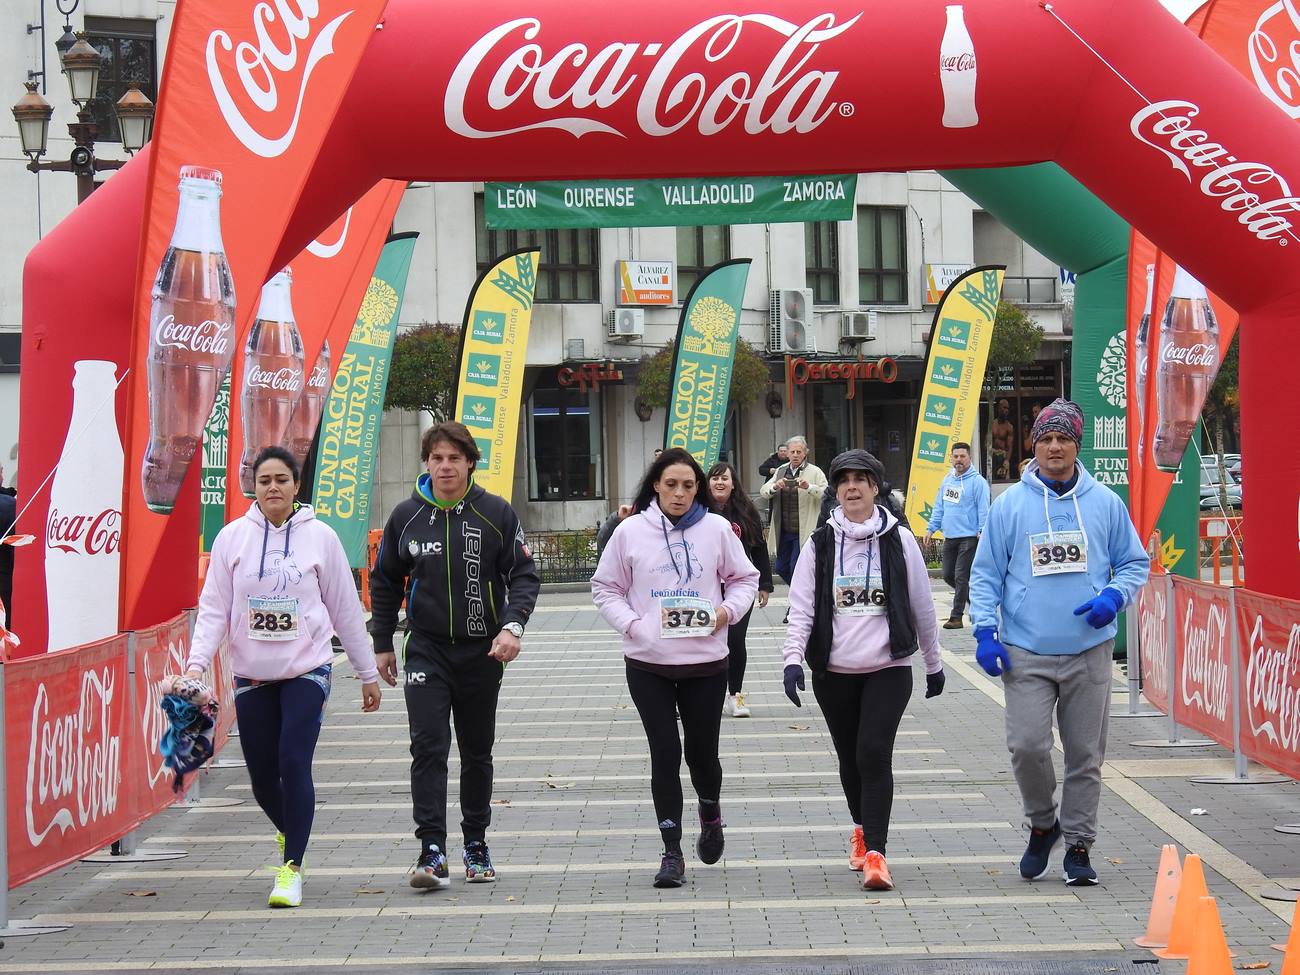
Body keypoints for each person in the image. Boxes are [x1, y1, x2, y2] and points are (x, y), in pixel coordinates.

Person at [183, 445, 386, 909]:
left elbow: (345, 609)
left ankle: (291, 867)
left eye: (281, 480)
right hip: (252, 675)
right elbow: (214, 610)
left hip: (306, 670)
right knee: (261, 777)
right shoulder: (232, 539)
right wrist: (196, 665)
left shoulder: (322, 538)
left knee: (293, 760)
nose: (272, 487)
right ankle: (291, 830)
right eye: (264, 480)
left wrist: (366, 672)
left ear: (297, 485)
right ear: (253, 487)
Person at [968, 398, 1149, 887]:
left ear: (1076, 445)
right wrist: (984, 631)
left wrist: (1113, 595)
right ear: (1033, 444)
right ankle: (1042, 822)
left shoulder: (1105, 502)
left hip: (1089, 651)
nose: (1054, 447)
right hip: (1025, 651)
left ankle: (1079, 845)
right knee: (1027, 746)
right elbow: (985, 575)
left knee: (1084, 754)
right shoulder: (1010, 506)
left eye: (1063, 438)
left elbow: (1135, 562)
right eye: (1046, 438)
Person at [369, 422, 540, 890]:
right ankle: (432, 851)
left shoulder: (495, 513)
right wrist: (382, 641)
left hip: (483, 651)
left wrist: (512, 626)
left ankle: (476, 843)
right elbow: (385, 580)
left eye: (454, 458)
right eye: (436, 458)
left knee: (476, 750)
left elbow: (524, 575)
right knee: (428, 747)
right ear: (426, 463)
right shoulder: (406, 516)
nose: (445, 466)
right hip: (424, 649)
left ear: (470, 462)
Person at [592, 448, 759, 888]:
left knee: (701, 754)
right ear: (655, 486)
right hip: (648, 663)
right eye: (671, 485)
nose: (680, 494)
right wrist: (633, 626)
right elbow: (605, 586)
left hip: (705, 662)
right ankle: (671, 852)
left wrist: (726, 613)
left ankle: (710, 813)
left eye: (689, 485)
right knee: (664, 755)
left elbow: (746, 578)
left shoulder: (718, 528)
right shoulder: (630, 531)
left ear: (699, 488)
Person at [781, 449, 944, 892]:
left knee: (873, 752)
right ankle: (860, 827)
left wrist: (934, 663)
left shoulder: (899, 539)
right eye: (844, 480)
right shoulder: (820, 543)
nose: (852, 487)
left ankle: (876, 853)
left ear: (876, 487)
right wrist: (792, 660)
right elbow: (801, 608)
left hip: (888, 666)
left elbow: (922, 606)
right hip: (833, 670)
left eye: (861, 479)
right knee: (850, 757)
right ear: (835, 490)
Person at [706, 461, 773, 718]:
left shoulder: (746, 512)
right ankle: (705, 696)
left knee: (735, 641)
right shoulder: (698, 510)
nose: (720, 482)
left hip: (739, 588)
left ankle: (735, 695)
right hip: (708, 588)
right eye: (715, 478)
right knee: (706, 641)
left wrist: (764, 584)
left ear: (733, 483)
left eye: (725, 478)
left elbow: (758, 548)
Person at [924, 442, 990, 630]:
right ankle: (976, 604)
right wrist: (931, 528)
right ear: (951, 458)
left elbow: (984, 508)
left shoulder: (978, 482)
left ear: (969, 458)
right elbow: (939, 507)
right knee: (947, 576)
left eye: (963, 456)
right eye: (956, 456)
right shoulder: (947, 480)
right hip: (950, 536)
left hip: (969, 537)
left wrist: (982, 529)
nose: (959, 460)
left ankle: (956, 617)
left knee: (961, 576)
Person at [759, 436, 827, 586]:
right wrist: (775, 486)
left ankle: (800, 600)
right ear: (787, 454)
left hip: (804, 531)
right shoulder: (780, 471)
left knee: (796, 567)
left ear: (805, 453)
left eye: (799, 451)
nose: (796, 455)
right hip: (783, 531)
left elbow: (826, 494)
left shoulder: (815, 472)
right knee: (780, 568)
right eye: (793, 451)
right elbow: (764, 491)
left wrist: (808, 487)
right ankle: (804, 595)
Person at [990, 399, 1015, 480]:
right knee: (991, 479)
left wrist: (1007, 460)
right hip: (992, 456)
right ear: (999, 408)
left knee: (1004, 480)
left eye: (1007, 408)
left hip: (1004, 456)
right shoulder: (992, 424)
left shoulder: (1009, 427)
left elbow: (1010, 446)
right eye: (1004, 408)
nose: (1006, 410)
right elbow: (986, 443)